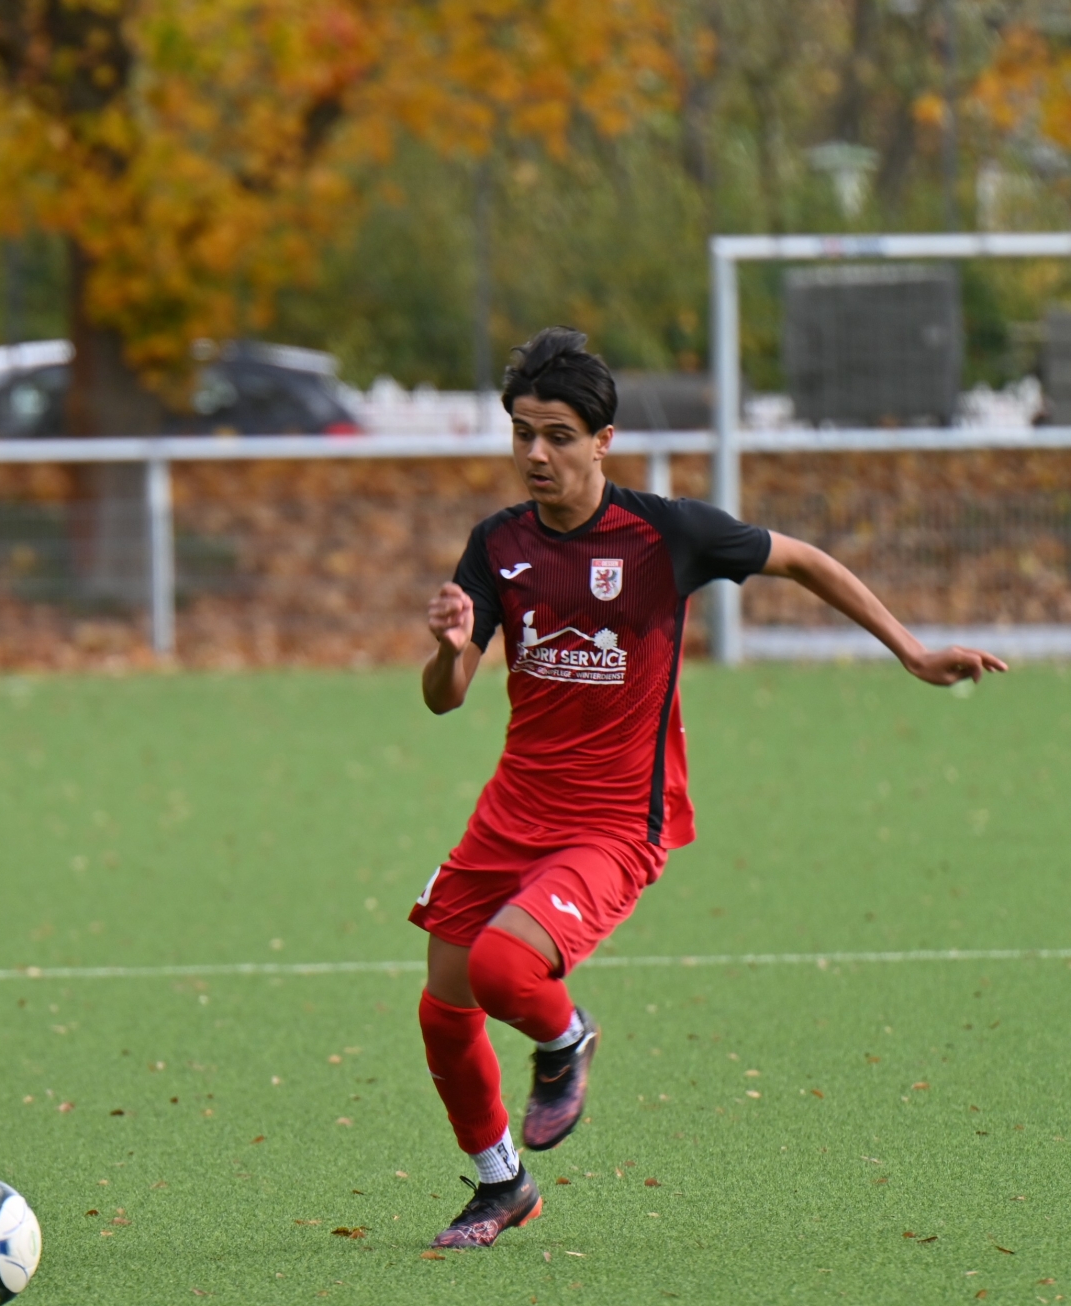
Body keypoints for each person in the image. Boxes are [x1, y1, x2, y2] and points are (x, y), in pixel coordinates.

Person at [412, 328, 1004, 1249]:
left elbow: (804, 559)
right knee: (443, 1008)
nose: (536, 454)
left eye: (559, 436)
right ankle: (502, 1186)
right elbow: (446, 697)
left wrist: (913, 651)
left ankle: (567, 1039)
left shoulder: (666, 533)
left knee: (501, 970)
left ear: (603, 441)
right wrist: (451, 650)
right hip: (511, 812)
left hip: (613, 823)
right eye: (523, 433)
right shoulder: (498, 545)